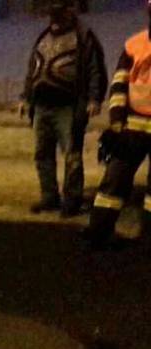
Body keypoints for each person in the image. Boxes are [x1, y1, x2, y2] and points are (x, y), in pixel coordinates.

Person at [19, 0, 107, 217]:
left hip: (68, 106)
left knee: (71, 156)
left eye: (59, 14)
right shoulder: (44, 37)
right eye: (52, 15)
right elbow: (34, 69)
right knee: (43, 154)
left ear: (69, 12)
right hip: (42, 106)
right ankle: (49, 196)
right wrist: (26, 98)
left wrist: (94, 99)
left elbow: (95, 69)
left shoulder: (83, 36)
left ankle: (72, 200)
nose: (54, 20)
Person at [84, 0, 151, 248]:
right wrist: (116, 121)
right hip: (132, 126)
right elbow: (119, 85)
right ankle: (97, 232)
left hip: (133, 126)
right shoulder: (135, 45)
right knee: (114, 182)